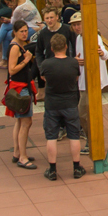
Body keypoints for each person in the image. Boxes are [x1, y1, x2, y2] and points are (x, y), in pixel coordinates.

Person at [36, 23, 85, 181]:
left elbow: (44, 78)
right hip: (70, 103)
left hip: (52, 104)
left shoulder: (46, 65)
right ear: (65, 46)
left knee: (51, 137)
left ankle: (52, 169)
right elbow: (76, 77)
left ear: (51, 48)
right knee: (74, 135)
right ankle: (76, 167)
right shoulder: (73, 63)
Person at [4, 22, 38, 169]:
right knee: (26, 122)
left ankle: (17, 152)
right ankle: (22, 157)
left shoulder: (20, 45)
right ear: (15, 32)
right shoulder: (15, 47)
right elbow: (11, 70)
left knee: (19, 122)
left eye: (26, 31)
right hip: (20, 88)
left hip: (23, 86)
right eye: (22, 31)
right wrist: (26, 60)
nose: (25, 34)